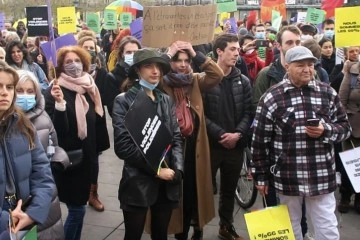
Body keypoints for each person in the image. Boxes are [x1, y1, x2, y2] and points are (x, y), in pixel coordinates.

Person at [252, 46, 351, 240]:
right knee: (290, 227)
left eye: (311, 64)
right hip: (288, 174)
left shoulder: (327, 92)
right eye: (301, 65)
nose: (307, 69)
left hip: (321, 173)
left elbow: (345, 128)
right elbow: (259, 140)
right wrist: (261, 176)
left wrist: (326, 130)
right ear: (287, 66)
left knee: (327, 227)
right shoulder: (272, 96)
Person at [112, 48, 183, 240]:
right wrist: (156, 170)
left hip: (167, 182)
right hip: (138, 180)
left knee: (161, 235)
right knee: (133, 235)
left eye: (158, 66)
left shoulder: (165, 100)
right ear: (137, 70)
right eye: (148, 66)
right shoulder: (124, 101)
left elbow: (175, 137)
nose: (155, 71)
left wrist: (178, 169)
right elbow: (123, 147)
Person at [252, 26, 314, 239]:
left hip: (307, 158)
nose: (294, 46)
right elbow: (256, 112)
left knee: (303, 206)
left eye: (298, 42)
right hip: (276, 158)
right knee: (277, 208)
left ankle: (302, 233)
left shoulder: (314, 71)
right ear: (278, 46)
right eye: (289, 43)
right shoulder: (266, 75)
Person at [44, 46, 109, 240]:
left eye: (77, 60)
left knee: (78, 207)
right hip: (69, 160)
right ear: (61, 68)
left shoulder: (89, 87)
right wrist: (60, 104)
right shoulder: (54, 90)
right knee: (78, 210)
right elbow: (57, 132)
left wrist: (97, 151)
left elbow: (97, 122)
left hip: (87, 158)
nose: (74, 65)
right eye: (68, 62)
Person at [162, 41, 223, 239]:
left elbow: (217, 75)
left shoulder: (195, 80)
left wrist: (196, 54)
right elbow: (144, 76)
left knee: (193, 192)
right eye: (177, 60)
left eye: (186, 60)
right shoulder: (162, 82)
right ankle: (180, 231)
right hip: (173, 148)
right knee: (178, 195)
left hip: (195, 148)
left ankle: (196, 227)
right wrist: (166, 54)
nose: (182, 64)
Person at [203, 33, 252, 240]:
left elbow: (249, 112)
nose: (237, 53)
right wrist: (221, 134)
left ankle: (226, 226)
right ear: (219, 51)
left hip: (235, 146)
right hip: (211, 145)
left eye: (238, 50)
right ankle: (197, 227)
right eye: (232, 49)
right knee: (203, 189)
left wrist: (238, 134)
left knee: (229, 189)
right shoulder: (204, 80)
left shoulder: (243, 80)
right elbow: (199, 114)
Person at [0, 61, 54, 239]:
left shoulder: (24, 126)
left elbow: (43, 175)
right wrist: (5, 219)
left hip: (23, 220)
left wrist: (32, 213)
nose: (4, 93)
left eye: (9, 87)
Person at [15, 70, 66, 239]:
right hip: (15, 201)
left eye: (30, 92)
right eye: (19, 91)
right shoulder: (7, 123)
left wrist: (58, 160)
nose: (25, 96)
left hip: (43, 195)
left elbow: (54, 146)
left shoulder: (43, 118)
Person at [78, 35, 110, 212]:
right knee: (79, 158)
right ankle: (79, 191)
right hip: (79, 122)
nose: (89, 50)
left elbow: (105, 97)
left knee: (94, 160)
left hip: (96, 122)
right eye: (86, 47)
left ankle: (93, 194)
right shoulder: (72, 73)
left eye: (92, 47)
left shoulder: (102, 73)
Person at [338, 60, 360, 214]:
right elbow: (341, 101)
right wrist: (345, 123)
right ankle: (345, 196)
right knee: (350, 165)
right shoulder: (352, 72)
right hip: (353, 129)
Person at [104, 36, 141, 117]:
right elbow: (114, 110)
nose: (132, 55)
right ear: (122, 54)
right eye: (128, 52)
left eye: (136, 52)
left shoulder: (144, 73)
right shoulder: (112, 77)